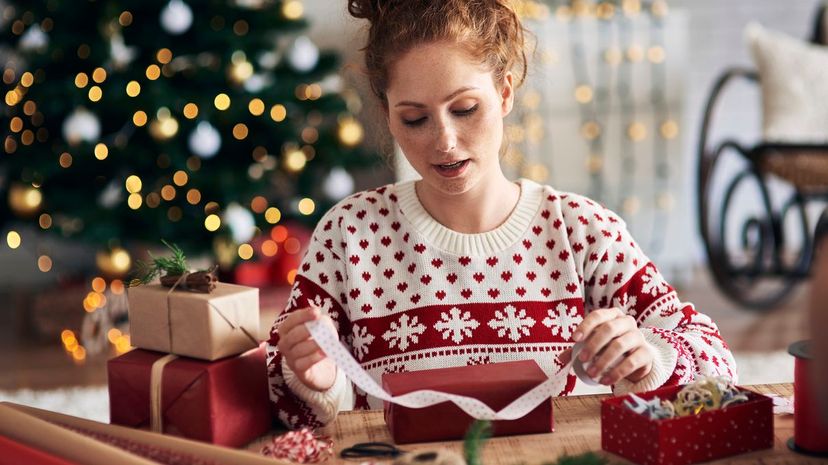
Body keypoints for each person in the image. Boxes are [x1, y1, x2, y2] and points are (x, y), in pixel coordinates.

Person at [266, 0, 736, 429]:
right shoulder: (350, 234)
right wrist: (319, 379)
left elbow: (717, 367)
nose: (444, 141)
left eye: (465, 109)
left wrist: (648, 358)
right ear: (387, 114)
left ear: (505, 93)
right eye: (414, 119)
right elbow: (282, 406)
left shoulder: (581, 230)